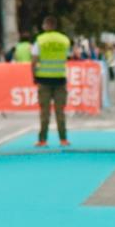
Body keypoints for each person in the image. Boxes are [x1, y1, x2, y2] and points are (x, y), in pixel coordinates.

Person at [31, 16, 71, 148]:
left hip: (44, 79)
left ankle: (42, 140)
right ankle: (63, 139)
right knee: (60, 111)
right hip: (60, 79)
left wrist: (34, 75)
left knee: (45, 112)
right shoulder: (64, 40)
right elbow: (67, 56)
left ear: (46, 25)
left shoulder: (40, 40)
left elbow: (34, 60)